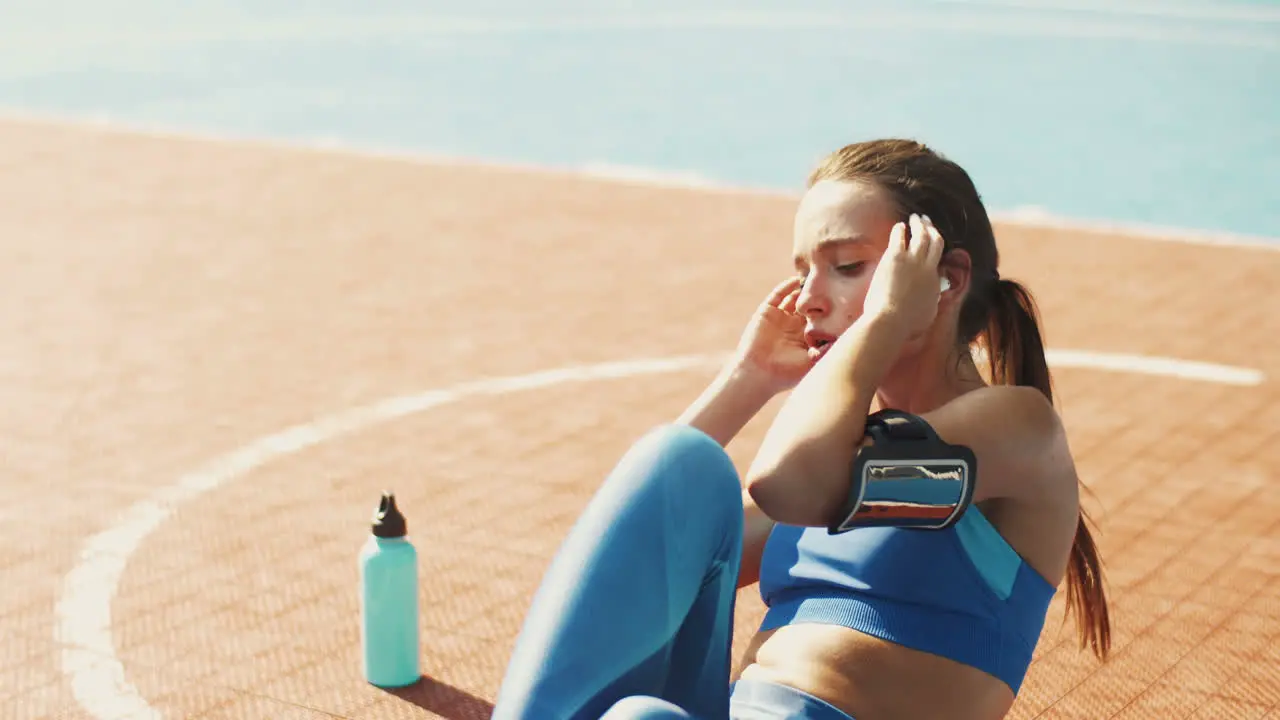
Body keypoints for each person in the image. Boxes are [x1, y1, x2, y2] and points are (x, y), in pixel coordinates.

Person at [489, 139, 1112, 720]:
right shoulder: (844, 461)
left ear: (942, 278)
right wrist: (748, 378)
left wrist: (886, 318)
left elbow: (790, 485)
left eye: (845, 265)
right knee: (677, 461)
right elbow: (651, 553)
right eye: (804, 270)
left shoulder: (1018, 430)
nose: (808, 297)